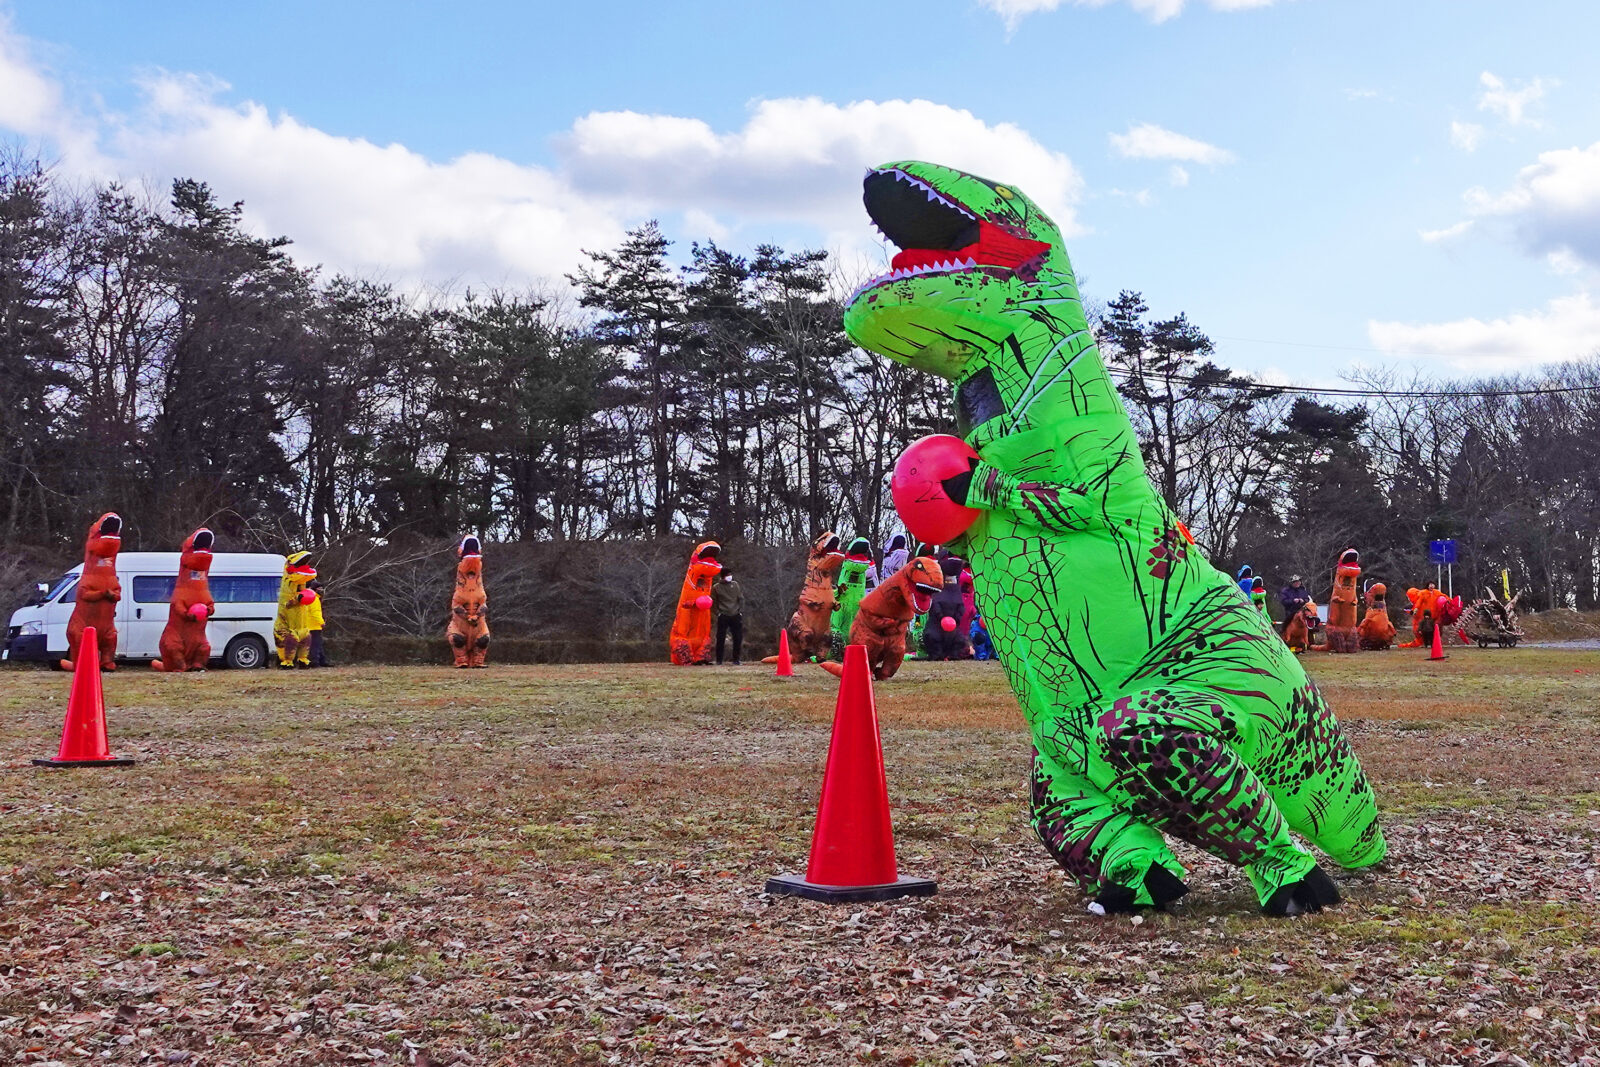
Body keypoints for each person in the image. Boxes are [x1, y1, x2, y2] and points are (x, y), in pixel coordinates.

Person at [713, 566, 744, 665]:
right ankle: (719, 660)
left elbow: (741, 598)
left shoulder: (735, 585)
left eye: (730, 574)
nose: (730, 576)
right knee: (720, 638)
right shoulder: (716, 587)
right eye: (728, 575)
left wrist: (740, 610)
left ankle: (736, 659)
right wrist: (718, 612)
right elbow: (714, 602)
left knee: (737, 637)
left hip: (735, 614)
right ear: (722, 576)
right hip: (723, 615)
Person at [306, 579, 329, 667]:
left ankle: (322, 661)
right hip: (314, 625)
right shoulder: (314, 599)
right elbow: (315, 613)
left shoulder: (307, 597)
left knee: (318, 644)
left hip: (308, 625)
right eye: (320, 589)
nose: (322, 591)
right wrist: (322, 622)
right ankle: (314, 662)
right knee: (315, 645)